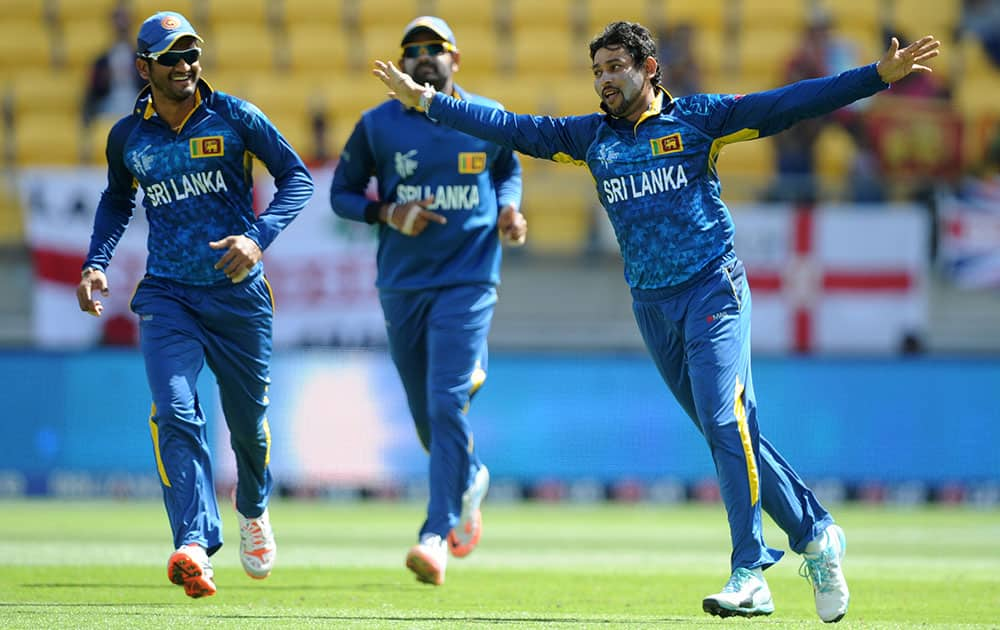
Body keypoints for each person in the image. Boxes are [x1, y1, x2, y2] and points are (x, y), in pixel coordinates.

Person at [374, 20, 939, 622]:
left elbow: (787, 106)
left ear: (648, 70)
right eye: (597, 71)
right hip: (651, 304)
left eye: (615, 66)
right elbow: (514, 128)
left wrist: (876, 78)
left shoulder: (699, 119)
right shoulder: (591, 137)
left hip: (712, 288)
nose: (604, 80)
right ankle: (818, 535)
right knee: (730, 434)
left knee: (726, 421)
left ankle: (750, 570)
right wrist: (430, 103)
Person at [76, 11, 314, 599]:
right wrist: (95, 262)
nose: (184, 66)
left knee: (249, 431)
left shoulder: (234, 116)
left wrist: (257, 239)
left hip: (238, 298)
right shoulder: (128, 137)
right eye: (171, 58)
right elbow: (115, 200)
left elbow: (297, 178)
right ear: (144, 68)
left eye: (191, 55)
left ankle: (253, 510)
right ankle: (193, 544)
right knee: (175, 411)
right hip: (167, 295)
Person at [331, 16, 526, 586]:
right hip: (403, 285)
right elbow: (342, 194)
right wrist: (386, 212)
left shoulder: (484, 117)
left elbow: (508, 167)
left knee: (445, 403)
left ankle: (434, 534)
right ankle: (468, 478)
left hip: (467, 281)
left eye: (434, 49)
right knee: (428, 418)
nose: (422, 57)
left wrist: (510, 210)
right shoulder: (378, 126)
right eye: (412, 50)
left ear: (454, 59)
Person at [82, 4, 146, 126]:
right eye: (118, 19)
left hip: (137, 106)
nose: (121, 24)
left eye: (125, 19)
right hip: (108, 108)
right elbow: (92, 92)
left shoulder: (142, 58)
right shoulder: (101, 61)